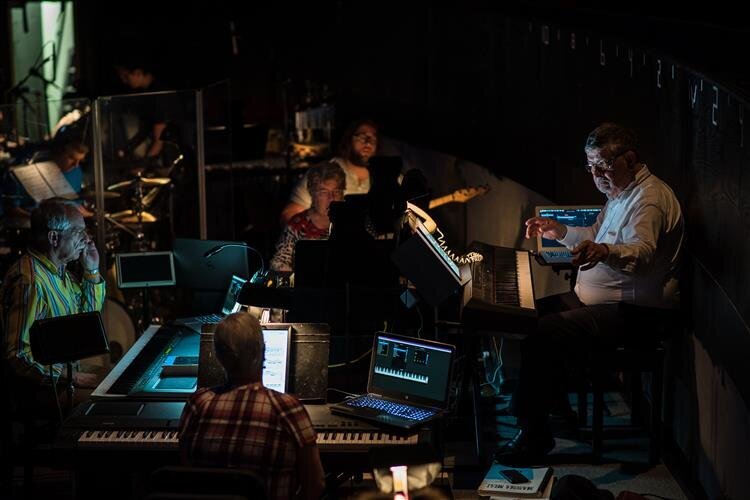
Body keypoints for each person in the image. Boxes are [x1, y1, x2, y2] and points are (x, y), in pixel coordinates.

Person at [497, 122, 684, 463]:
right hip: (606, 301)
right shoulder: (619, 192)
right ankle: (553, 409)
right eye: (591, 167)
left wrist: (606, 252)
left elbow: (642, 253)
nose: (597, 176)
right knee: (527, 314)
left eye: (604, 167)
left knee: (546, 331)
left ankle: (534, 434)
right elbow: (595, 234)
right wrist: (559, 231)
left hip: (636, 313)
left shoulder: (650, 200)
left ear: (631, 159)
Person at [178, 312, 324, 500]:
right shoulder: (288, 409)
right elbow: (316, 484)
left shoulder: (197, 404)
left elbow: (187, 474)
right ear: (262, 351)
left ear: (218, 357)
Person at [0, 198, 105, 388]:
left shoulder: (61, 271)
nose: (87, 239)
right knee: (112, 403)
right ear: (54, 238)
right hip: (43, 389)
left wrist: (91, 271)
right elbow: (18, 355)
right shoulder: (30, 282)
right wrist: (69, 377)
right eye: (78, 232)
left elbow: (87, 324)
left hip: (66, 377)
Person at [280, 119, 378, 224]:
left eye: (373, 138)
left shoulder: (385, 177)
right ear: (349, 139)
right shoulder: (324, 171)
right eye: (361, 136)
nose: (368, 142)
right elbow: (290, 214)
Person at [270, 162, 346, 272]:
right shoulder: (297, 224)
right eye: (323, 192)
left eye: (337, 191)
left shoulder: (351, 221)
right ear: (312, 193)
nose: (331, 198)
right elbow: (279, 262)